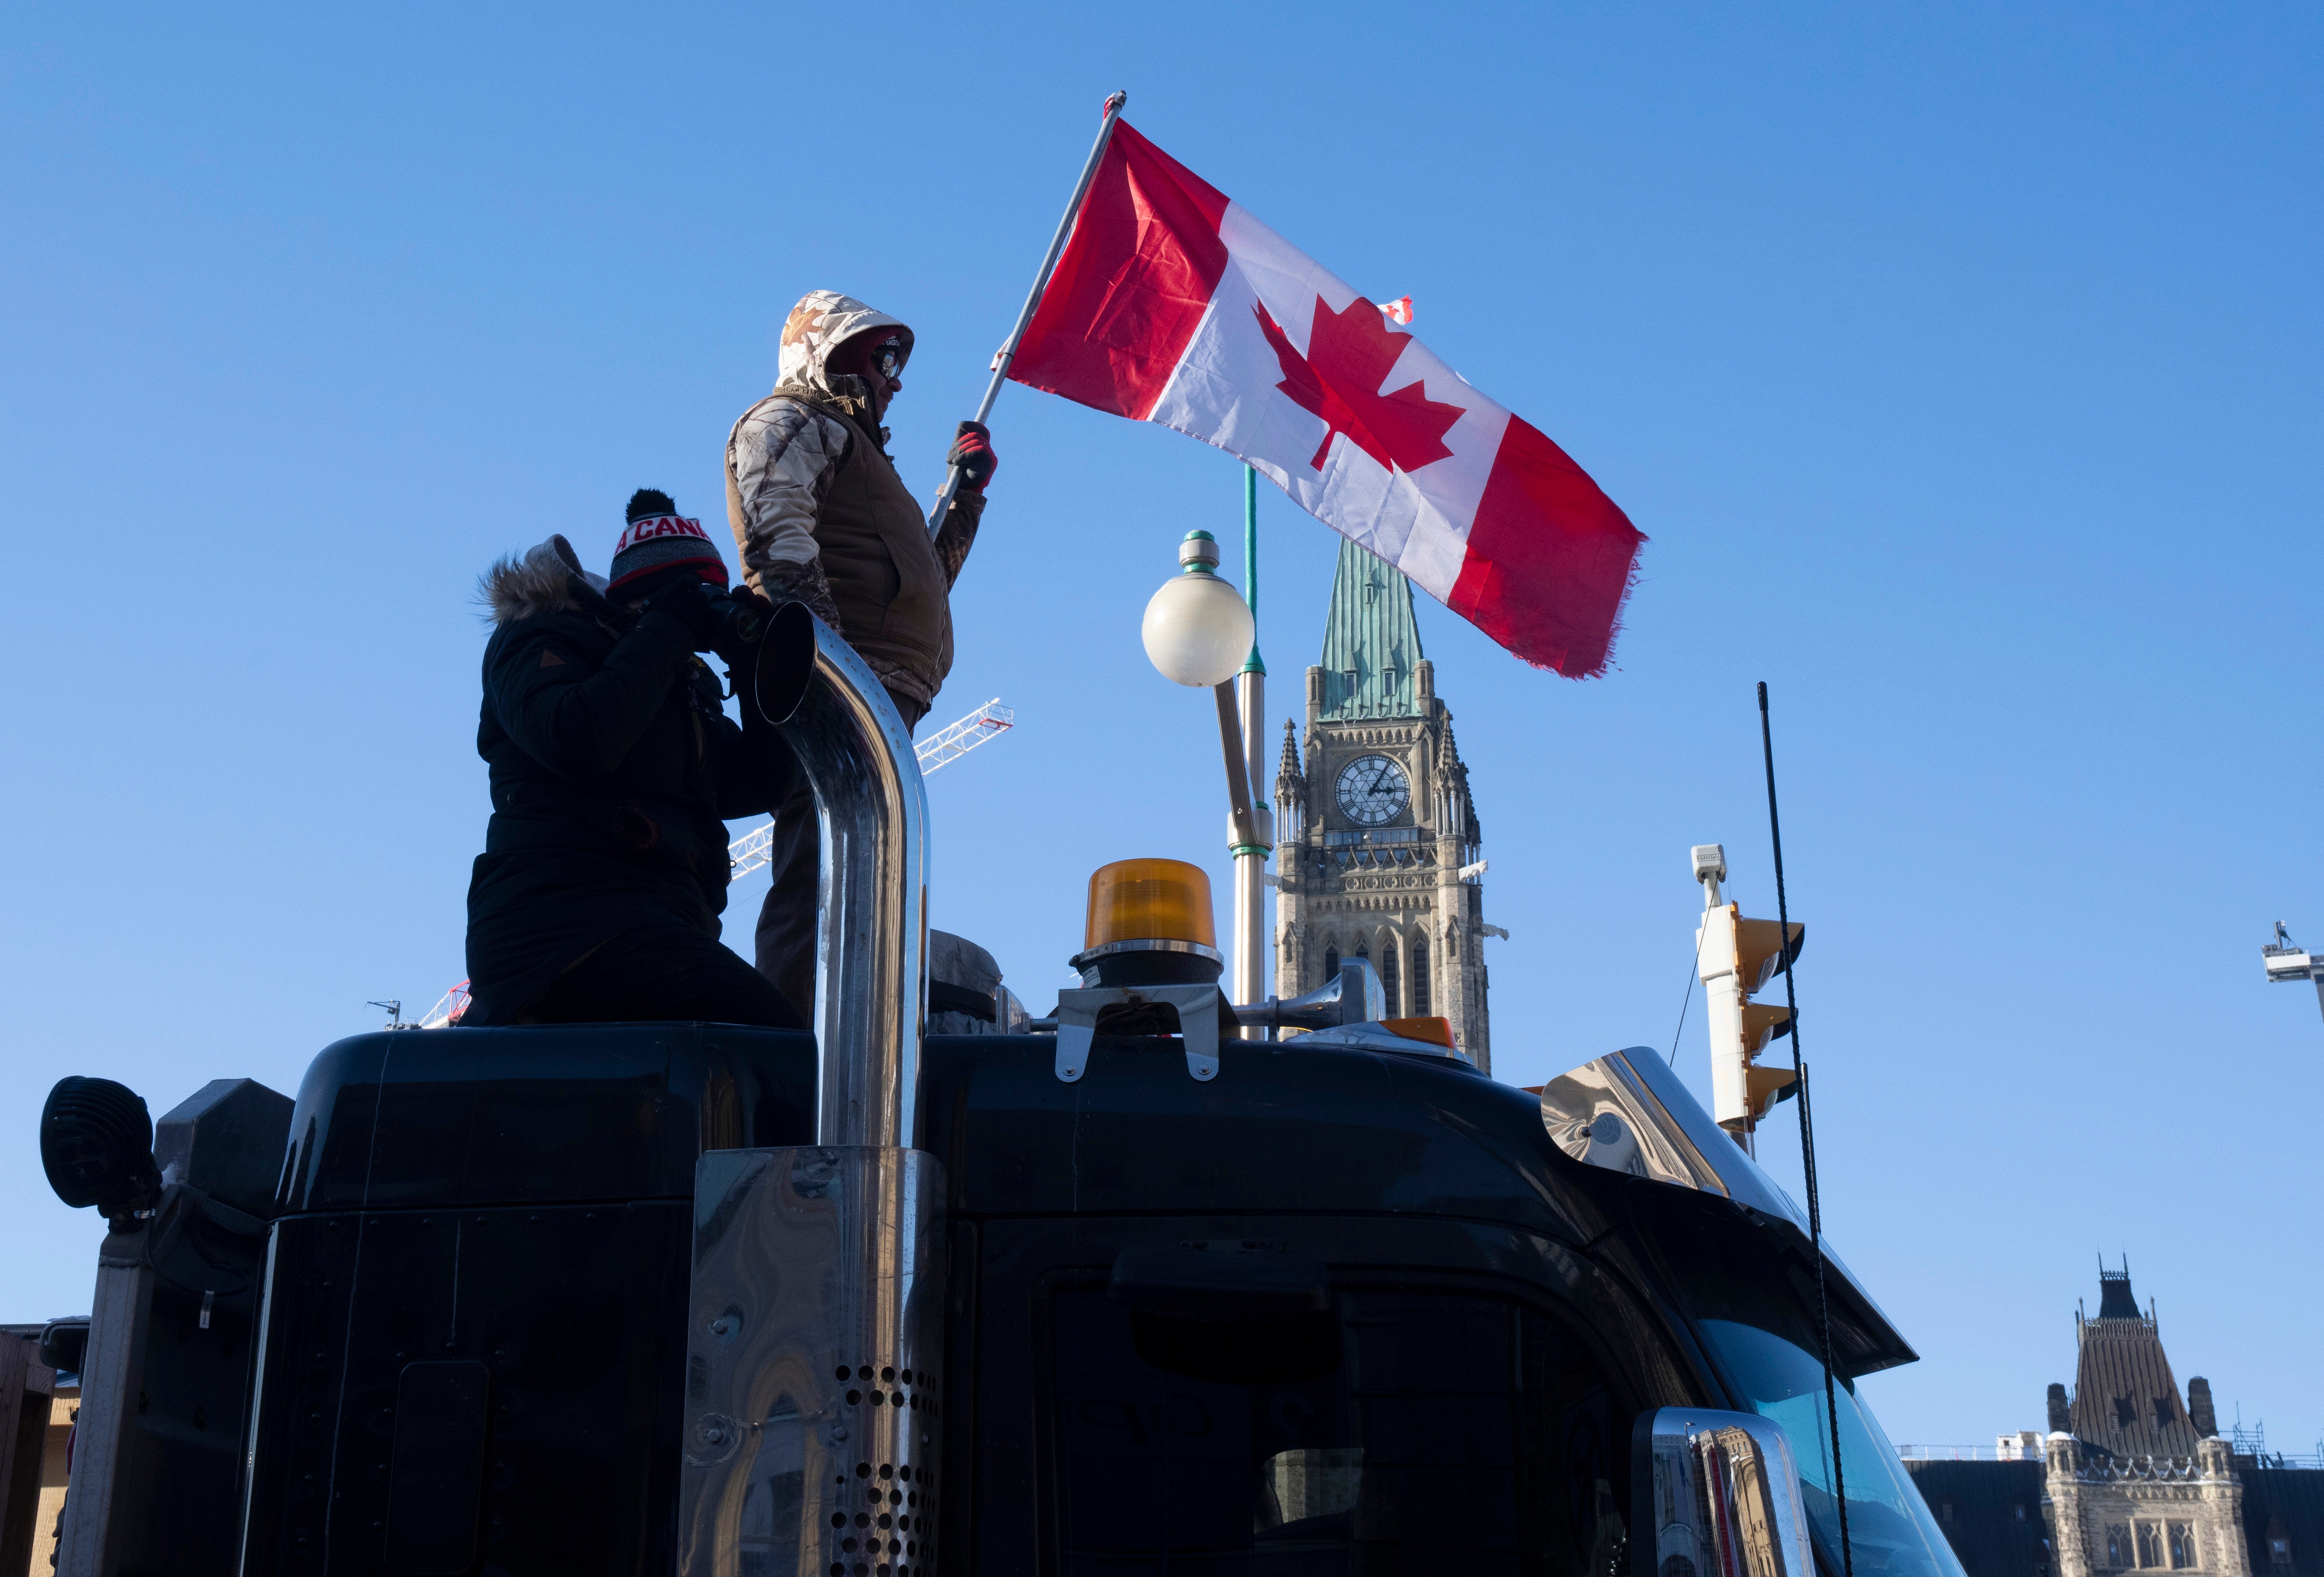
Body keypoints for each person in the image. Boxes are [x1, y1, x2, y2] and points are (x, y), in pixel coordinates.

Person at [725, 289, 998, 1014]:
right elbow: (775, 544)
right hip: (844, 693)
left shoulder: (862, 456)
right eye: (881, 356)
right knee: (819, 875)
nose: (894, 377)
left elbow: (923, 585)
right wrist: (831, 678)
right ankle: (790, 1053)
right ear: (829, 351)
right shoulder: (789, 422)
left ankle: (855, 1034)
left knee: (866, 878)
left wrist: (965, 497)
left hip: (882, 692)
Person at [461, 490, 802, 1029]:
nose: (705, 607)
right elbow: (577, 738)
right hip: (561, 930)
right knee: (773, 1041)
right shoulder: (540, 635)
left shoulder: (676, 681)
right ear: (639, 602)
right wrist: (667, 631)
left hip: (658, 928)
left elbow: (760, 785)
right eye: (692, 595)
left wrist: (758, 670)